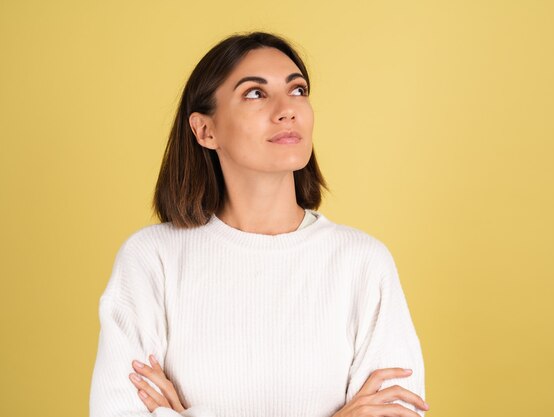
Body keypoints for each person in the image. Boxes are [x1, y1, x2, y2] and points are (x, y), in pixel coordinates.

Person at [89, 31, 428, 417]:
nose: (288, 109)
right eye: (255, 93)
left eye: (298, 90)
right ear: (205, 130)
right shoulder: (152, 260)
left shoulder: (363, 263)